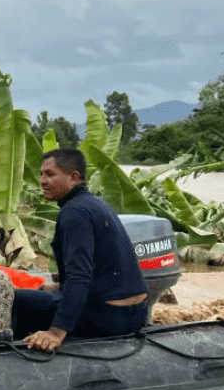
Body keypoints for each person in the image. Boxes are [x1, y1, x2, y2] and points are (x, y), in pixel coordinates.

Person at [15, 148, 148, 352]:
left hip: (108, 317)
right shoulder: (94, 202)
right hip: (136, 314)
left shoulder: (74, 212)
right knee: (38, 294)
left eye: (49, 174)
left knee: (14, 299)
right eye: (41, 174)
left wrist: (56, 332)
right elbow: (99, 267)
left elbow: (80, 276)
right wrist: (58, 287)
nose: (42, 181)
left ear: (74, 177)